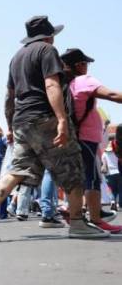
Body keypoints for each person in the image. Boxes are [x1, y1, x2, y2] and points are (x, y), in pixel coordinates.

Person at [0, 15, 108, 241]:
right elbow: (51, 84)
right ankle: (77, 222)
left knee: (18, 170)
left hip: (22, 121)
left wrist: (9, 126)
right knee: (73, 168)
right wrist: (62, 120)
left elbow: (10, 96)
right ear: (50, 37)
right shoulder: (47, 51)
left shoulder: (16, 57)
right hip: (45, 118)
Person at [61, 48, 122, 233]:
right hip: (86, 138)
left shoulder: (65, 84)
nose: (87, 67)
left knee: (79, 178)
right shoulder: (83, 80)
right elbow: (112, 95)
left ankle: (74, 212)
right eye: (85, 63)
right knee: (92, 179)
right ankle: (96, 219)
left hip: (73, 138)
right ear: (79, 65)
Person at [102, 140, 120, 211]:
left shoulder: (104, 154)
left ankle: (112, 201)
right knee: (118, 189)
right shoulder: (117, 153)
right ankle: (118, 203)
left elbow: (103, 163)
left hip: (109, 173)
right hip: (118, 172)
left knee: (110, 188)